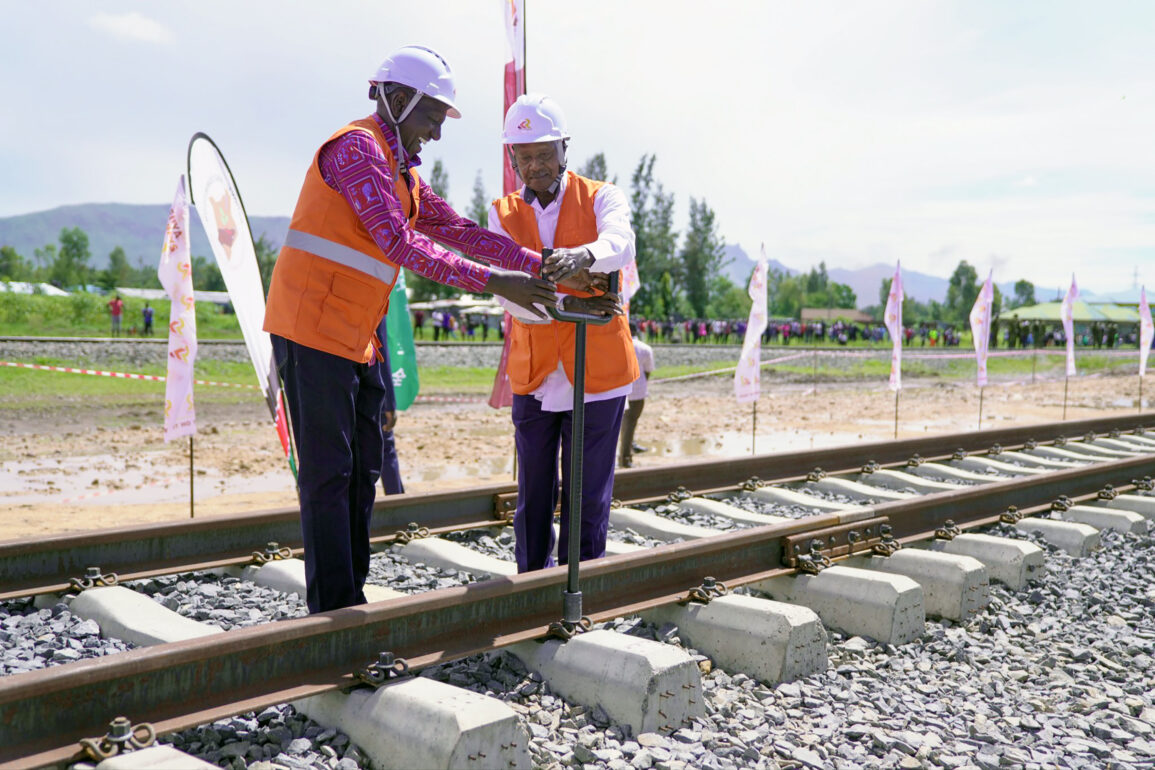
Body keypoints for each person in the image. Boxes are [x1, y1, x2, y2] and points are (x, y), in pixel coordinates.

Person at [263, 45, 558, 613]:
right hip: (310, 328)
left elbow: (460, 230)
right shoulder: (356, 150)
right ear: (397, 101)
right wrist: (497, 283)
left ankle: (350, 598)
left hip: (353, 334)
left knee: (362, 470)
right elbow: (399, 242)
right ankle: (332, 612)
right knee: (330, 475)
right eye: (432, 118)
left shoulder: (403, 172)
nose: (437, 135)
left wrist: (536, 263)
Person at [487, 93, 638, 573]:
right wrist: (572, 297)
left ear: (564, 149)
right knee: (532, 493)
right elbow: (507, 293)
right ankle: (532, 585)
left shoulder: (602, 197)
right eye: (524, 157)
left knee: (588, 493)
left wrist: (583, 257)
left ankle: (582, 583)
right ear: (512, 159)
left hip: (599, 372)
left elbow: (620, 243)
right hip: (534, 373)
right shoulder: (501, 213)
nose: (534, 167)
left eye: (544, 154)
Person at [619, 322, 654, 468]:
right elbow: (648, 370)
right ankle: (625, 458)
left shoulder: (618, 345)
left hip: (618, 391)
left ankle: (628, 448)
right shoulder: (645, 348)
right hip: (637, 392)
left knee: (621, 424)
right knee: (631, 423)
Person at [377, 319, 404, 495]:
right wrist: (389, 403)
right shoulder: (374, 294)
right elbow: (381, 350)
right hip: (369, 388)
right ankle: (397, 502)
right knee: (386, 449)